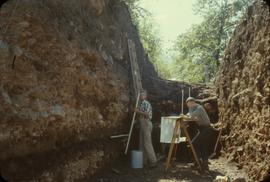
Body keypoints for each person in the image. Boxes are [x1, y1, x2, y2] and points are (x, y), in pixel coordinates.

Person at [186, 97, 212, 170]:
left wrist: (189, 113)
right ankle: (202, 163)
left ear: (192, 102)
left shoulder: (199, 108)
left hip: (206, 128)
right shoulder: (194, 108)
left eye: (189, 105)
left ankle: (199, 162)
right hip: (202, 129)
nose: (188, 106)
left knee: (194, 143)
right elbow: (189, 115)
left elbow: (191, 116)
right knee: (201, 145)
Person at [135, 90, 157, 167]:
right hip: (142, 123)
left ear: (145, 96)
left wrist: (137, 111)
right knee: (142, 143)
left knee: (147, 142)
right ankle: (143, 162)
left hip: (146, 123)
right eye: (140, 94)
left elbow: (147, 115)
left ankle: (153, 161)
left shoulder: (146, 103)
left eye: (143, 94)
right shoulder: (141, 104)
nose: (141, 96)